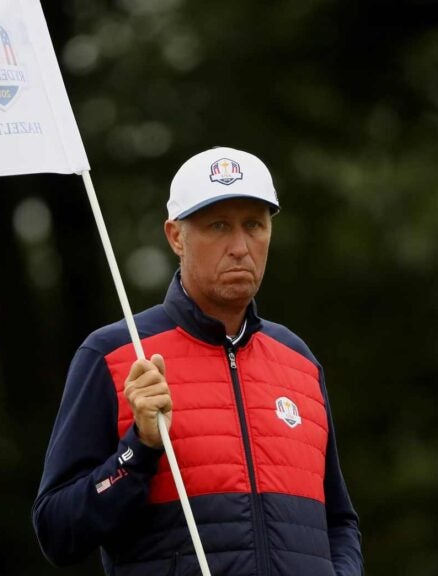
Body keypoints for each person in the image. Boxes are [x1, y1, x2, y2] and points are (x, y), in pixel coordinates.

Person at [33, 147, 363, 575]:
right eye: (218, 226)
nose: (240, 247)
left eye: (254, 225)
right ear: (175, 236)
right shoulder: (113, 354)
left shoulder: (298, 360)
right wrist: (138, 450)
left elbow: (338, 521)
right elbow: (56, 531)